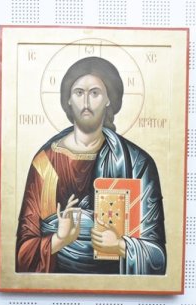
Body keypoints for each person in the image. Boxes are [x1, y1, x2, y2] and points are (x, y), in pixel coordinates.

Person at [15, 56, 166, 276]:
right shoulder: (45, 163)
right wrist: (59, 240)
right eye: (78, 93)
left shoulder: (137, 163)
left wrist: (121, 246)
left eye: (94, 93)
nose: (86, 102)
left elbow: (158, 256)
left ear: (108, 99)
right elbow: (22, 254)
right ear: (68, 100)